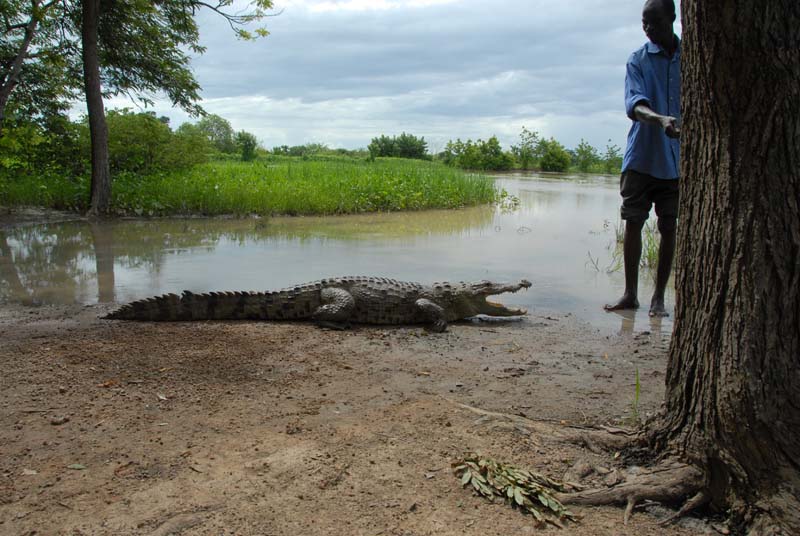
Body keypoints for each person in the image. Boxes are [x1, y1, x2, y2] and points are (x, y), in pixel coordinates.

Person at [605, 0, 681, 317]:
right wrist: (660, 119)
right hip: (640, 158)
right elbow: (635, 105)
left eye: (655, 22)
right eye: (644, 22)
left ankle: (659, 298)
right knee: (633, 222)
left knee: (669, 227)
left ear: (673, 19)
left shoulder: (692, 59)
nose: (648, 28)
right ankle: (630, 294)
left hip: (676, 162)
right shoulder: (637, 60)